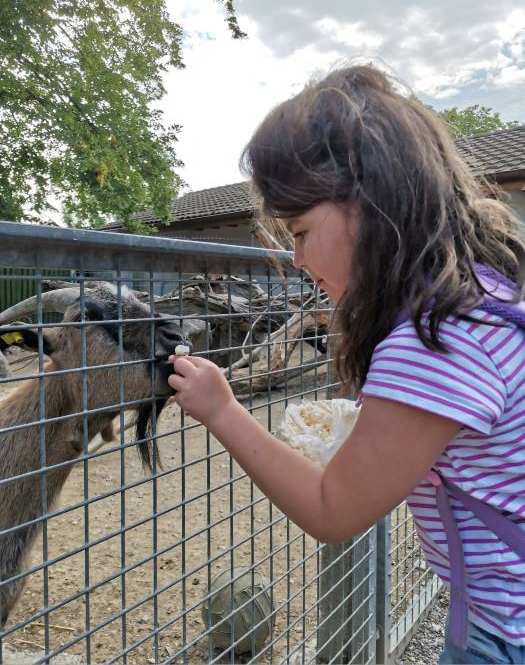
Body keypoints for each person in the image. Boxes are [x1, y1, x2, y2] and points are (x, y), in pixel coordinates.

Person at [168, 64, 525, 664]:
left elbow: (335, 510)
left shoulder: (433, 340)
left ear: (370, 204)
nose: (298, 258)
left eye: (300, 232)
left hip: (504, 630)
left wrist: (223, 410)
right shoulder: (484, 292)